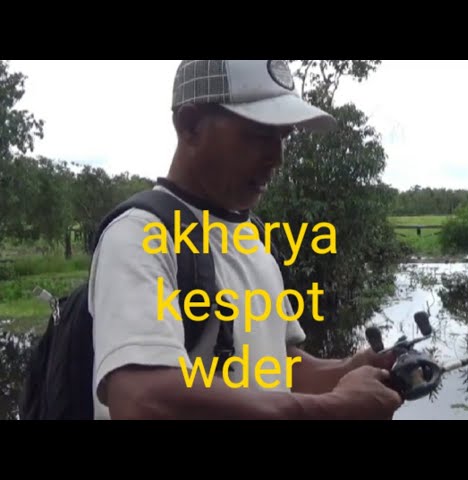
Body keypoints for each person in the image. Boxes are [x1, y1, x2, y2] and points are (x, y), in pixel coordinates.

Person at [88, 60, 403, 420]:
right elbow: (141, 400)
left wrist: (350, 370)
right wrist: (333, 408)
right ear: (190, 126)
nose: (277, 157)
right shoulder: (139, 235)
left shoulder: (253, 236)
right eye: (258, 134)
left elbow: (281, 369)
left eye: (283, 136)